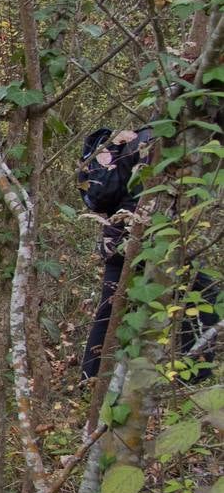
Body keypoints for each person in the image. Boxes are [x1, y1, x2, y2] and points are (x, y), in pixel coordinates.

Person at [78, 126, 218, 381]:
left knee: (111, 311)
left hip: (121, 238)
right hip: (149, 239)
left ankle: (91, 380)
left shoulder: (136, 138)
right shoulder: (166, 139)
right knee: (204, 297)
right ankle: (191, 379)